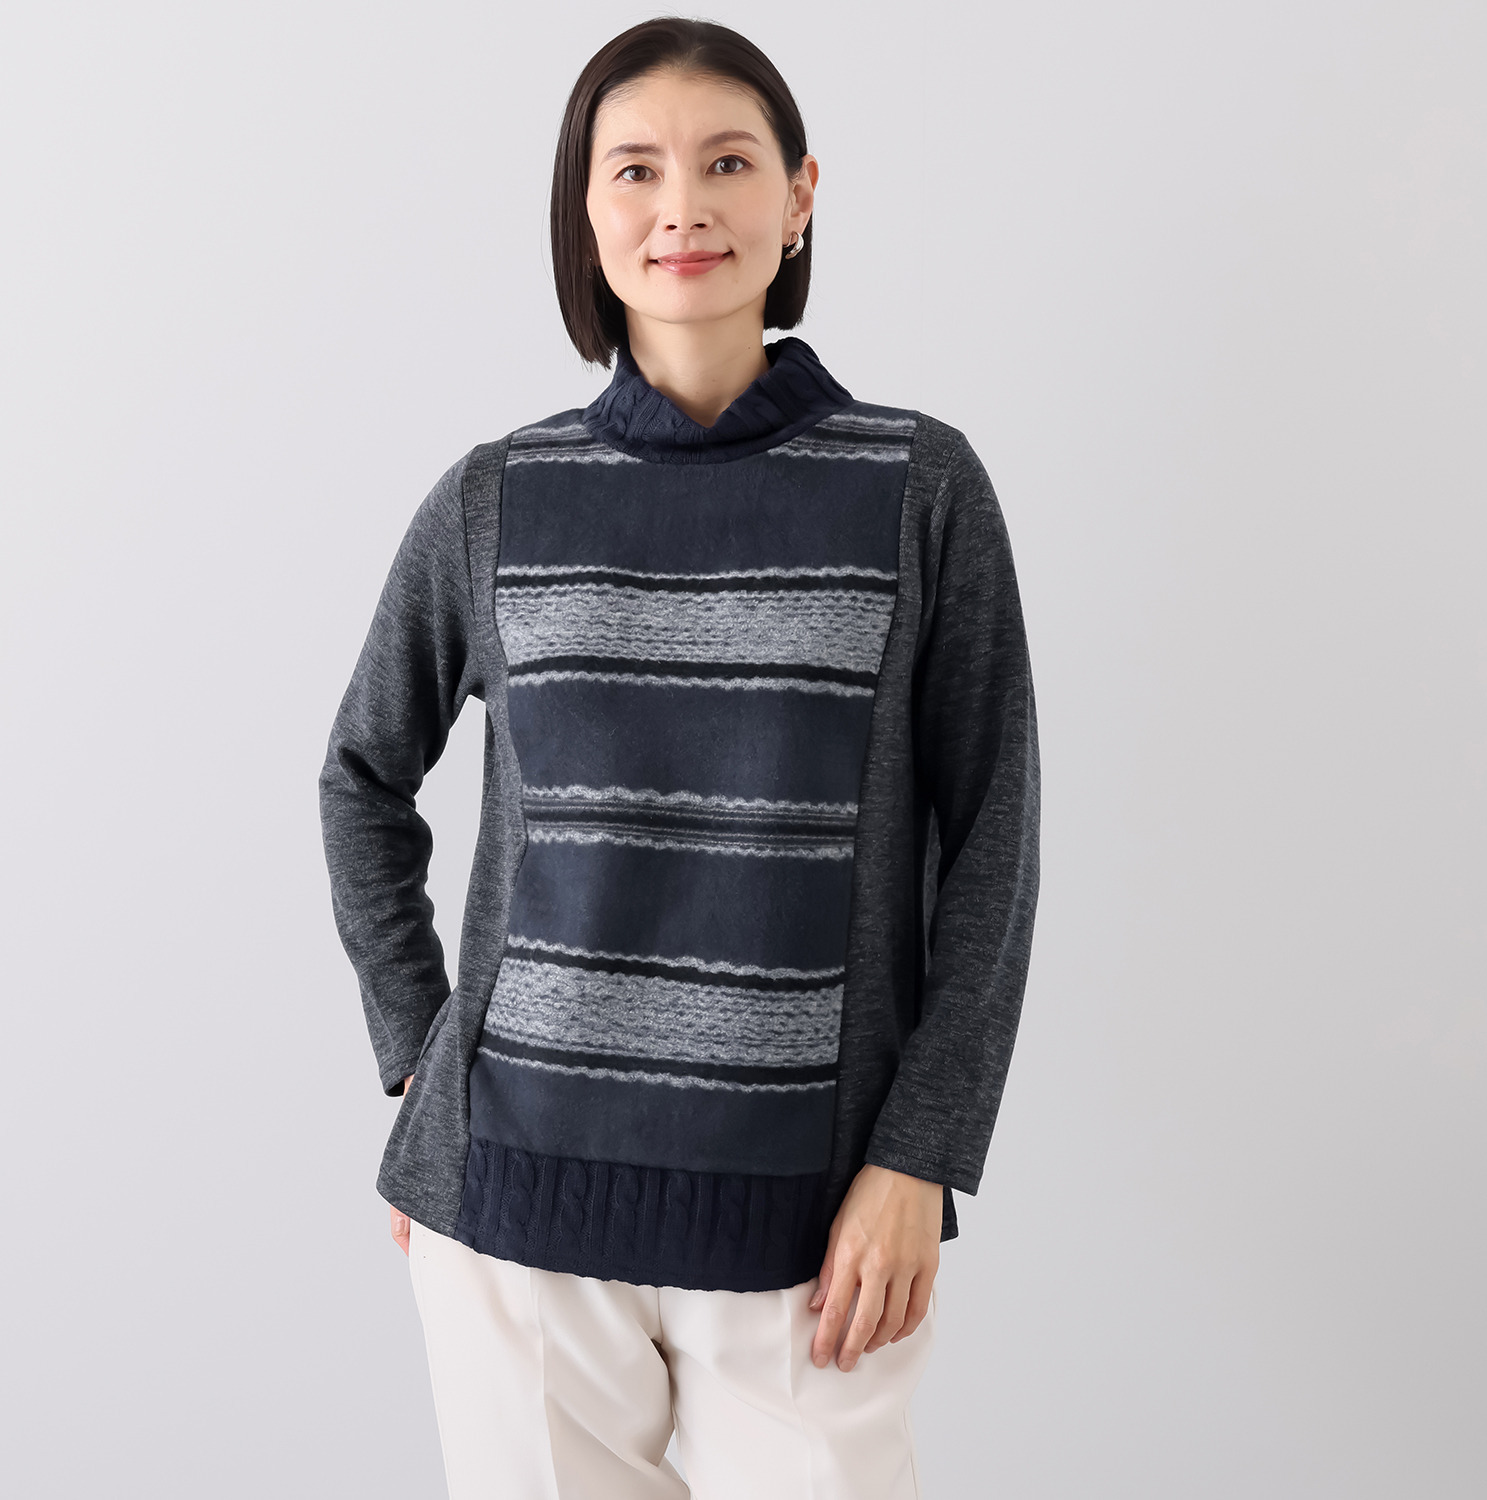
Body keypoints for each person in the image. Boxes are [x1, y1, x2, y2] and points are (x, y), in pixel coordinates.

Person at [318, 16, 1041, 1498]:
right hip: (512, 1211)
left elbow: (995, 843)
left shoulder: (917, 487)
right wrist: (420, 1063)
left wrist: (922, 1155)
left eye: (728, 163)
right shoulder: (499, 499)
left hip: (817, 1232)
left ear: (801, 195)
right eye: (635, 169)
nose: (682, 207)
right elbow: (362, 777)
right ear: (586, 210)